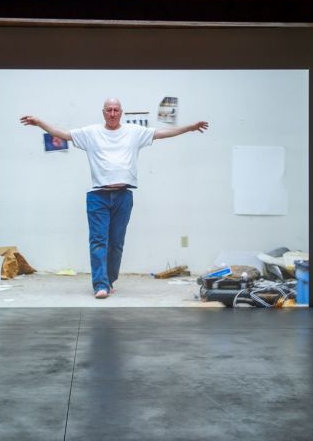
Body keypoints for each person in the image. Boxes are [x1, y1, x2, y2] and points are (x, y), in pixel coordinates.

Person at [21, 98, 208, 299]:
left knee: (116, 243)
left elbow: (162, 133)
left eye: (115, 110)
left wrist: (190, 127)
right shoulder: (91, 133)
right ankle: (100, 285)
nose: (112, 113)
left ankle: (109, 280)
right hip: (97, 196)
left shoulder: (133, 132)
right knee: (98, 241)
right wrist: (39, 122)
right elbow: (63, 134)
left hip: (123, 196)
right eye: (108, 110)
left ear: (121, 113)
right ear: (103, 112)